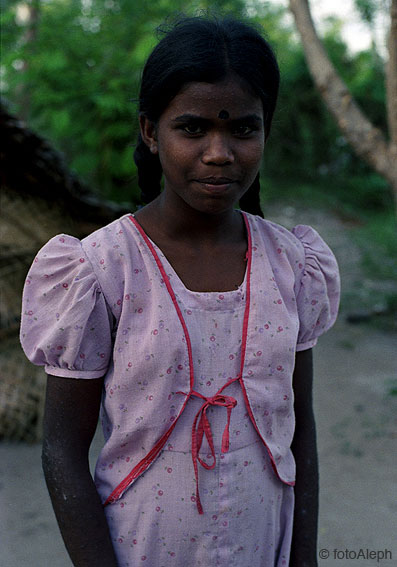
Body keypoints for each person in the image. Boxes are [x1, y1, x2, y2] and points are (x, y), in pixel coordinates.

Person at [20, 14, 340, 567]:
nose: (219, 153)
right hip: (141, 544)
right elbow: (62, 452)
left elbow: (300, 429)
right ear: (150, 131)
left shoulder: (292, 265)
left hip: (263, 539)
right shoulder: (100, 270)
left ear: (265, 130)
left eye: (243, 128)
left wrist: (304, 557)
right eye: (192, 128)